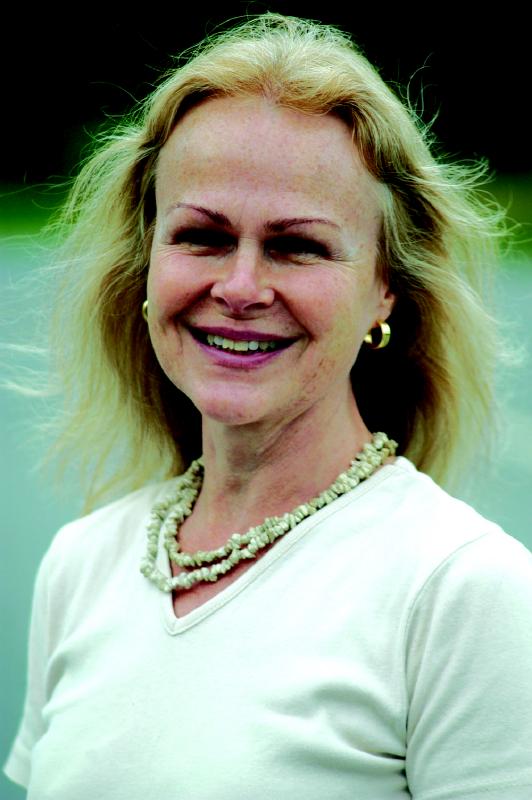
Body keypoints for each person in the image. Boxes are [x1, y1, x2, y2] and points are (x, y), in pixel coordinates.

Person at [4, 13, 532, 799]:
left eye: (297, 246)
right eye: (202, 236)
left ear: (385, 287)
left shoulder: (463, 591)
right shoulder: (80, 566)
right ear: (147, 260)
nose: (241, 288)